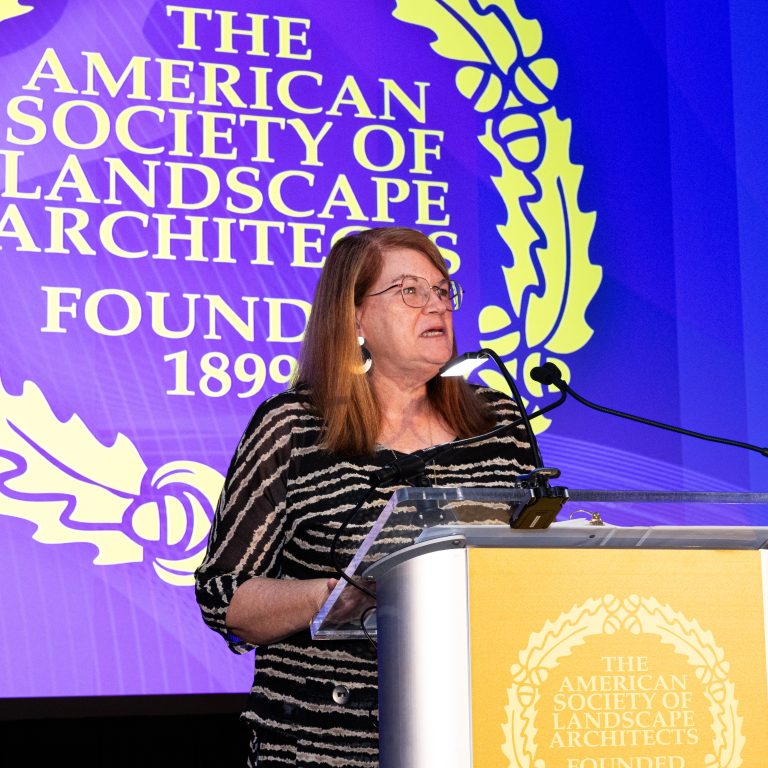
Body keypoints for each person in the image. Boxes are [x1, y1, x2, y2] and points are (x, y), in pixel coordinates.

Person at [195, 227, 534, 767]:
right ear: (355, 319)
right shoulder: (296, 428)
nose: (435, 306)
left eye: (442, 290)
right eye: (409, 291)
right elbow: (223, 597)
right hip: (326, 742)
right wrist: (330, 596)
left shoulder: (498, 425)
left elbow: (531, 563)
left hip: (477, 729)